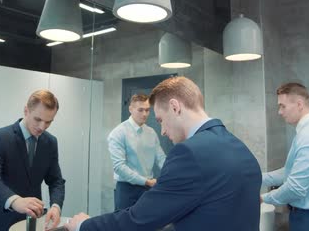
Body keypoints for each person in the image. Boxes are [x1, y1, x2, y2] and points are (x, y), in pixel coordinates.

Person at [66, 76, 262, 231]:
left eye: (160, 120)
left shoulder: (188, 153)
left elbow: (138, 219)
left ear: (175, 107)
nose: (163, 131)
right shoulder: (239, 146)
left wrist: (84, 225)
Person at [0, 89, 66, 231]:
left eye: (48, 122)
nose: (42, 127)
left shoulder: (50, 142)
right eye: (38, 119)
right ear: (26, 111)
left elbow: (56, 181)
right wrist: (15, 201)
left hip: (31, 224)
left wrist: (56, 206)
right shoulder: (0, 137)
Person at [261, 83, 309, 231]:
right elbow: (290, 172)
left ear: (299, 104)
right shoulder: (308, 132)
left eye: (282, 106)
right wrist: (257, 178)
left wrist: (262, 199)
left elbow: (295, 188)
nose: (279, 112)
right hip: (307, 218)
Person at [108, 94, 166, 210]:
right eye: (140, 110)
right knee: (124, 227)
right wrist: (146, 181)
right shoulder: (118, 133)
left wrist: (172, 173)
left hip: (148, 189)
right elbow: (119, 167)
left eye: (147, 110)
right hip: (127, 190)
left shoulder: (151, 132)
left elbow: (161, 158)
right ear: (131, 109)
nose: (144, 114)